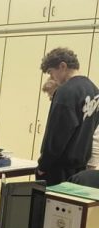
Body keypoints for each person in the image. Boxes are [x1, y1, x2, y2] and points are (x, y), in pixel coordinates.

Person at [37, 47, 99, 185]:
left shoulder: (66, 91)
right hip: (80, 169)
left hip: (59, 169)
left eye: (51, 72)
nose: (52, 78)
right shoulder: (94, 90)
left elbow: (57, 135)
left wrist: (43, 165)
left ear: (62, 66)